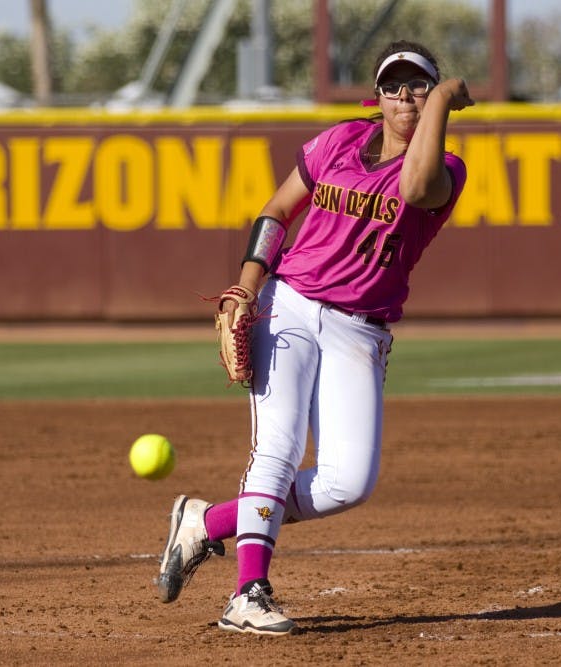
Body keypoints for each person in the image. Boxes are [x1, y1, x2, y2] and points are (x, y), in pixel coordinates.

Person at [155, 39, 473, 636]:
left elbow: (415, 189)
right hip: (290, 305)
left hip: (360, 328)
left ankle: (206, 522)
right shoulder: (338, 142)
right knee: (276, 449)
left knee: (346, 483)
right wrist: (247, 286)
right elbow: (276, 211)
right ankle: (248, 592)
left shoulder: (446, 168)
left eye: (419, 85)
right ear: (375, 96)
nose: (405, 96)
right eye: (393, 85)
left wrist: (447, 100)